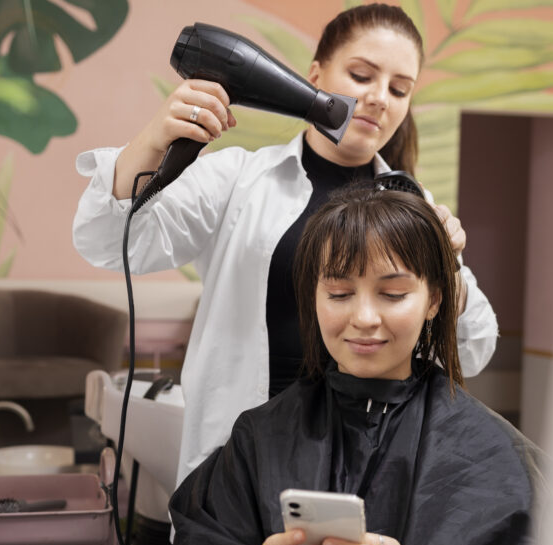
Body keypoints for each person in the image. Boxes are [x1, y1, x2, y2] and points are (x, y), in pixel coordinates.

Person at [36, 185, 540, 545]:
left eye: (392, 293)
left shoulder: (494, 458)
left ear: (434, 299)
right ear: (314, 299)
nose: (364, 318)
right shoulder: (261, 436)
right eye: (340, 293)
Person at [72, 5, 499, 486]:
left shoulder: (414, 208)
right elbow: (109, 242)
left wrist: (449, 269)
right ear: (316, 73)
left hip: (364, 463)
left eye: (399, 89)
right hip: (240, 457)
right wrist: (153, 140)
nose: (379, 99)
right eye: (361, 75)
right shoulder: (240, 181)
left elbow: (474, 347)